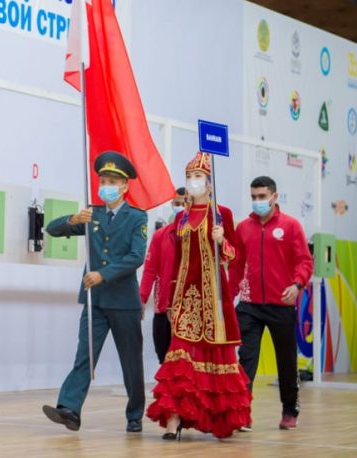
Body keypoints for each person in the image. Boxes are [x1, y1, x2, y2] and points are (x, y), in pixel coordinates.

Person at [145, 153, 251, 440]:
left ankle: (221, 417)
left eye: (198, 176)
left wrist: (222, 241)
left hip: (213, 296)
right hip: (185, 296)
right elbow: (176, 260)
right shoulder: (181, 218)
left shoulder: (222, 214)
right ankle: (173, 420)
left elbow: (235, 255)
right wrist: (170, 299)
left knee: (215, 352)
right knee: (179, 356)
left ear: (209, 183)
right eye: (189, 177)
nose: (193, 182)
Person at [42, 151, 148, 433]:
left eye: (112, 181)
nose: (106, 186)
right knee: (84, 356)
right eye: (103, 181)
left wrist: (103, 273)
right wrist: (73, 218)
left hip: (124, 302)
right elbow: (51, 229)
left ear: (124, 186)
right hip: (95, 301)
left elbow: (136, 256)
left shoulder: (137, 217)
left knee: (131, 361)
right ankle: (69, 409)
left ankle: (135, 414)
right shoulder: (93, 214)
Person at [228, 175, 313, 431]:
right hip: (249, 305)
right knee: (246, 359)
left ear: (274, 197)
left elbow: (305, 261)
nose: (257, 201)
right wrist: (229, 298)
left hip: (281, 304)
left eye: (262, 196)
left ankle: (290, 410)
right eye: (254, 197)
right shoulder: (244, 228)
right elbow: (236, 266)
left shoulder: (291, 226)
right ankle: (241, 412)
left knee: (286, 362)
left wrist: (296, 285)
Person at [140, 188, 186, 363]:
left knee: (186, 363)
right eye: (176, 203)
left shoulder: (199, 235)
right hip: (163, 307)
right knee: (164, 357)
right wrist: (142, 299)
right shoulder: (160, 236)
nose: (180, 207)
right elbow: (150, 270)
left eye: (184, 203)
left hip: (189, 310)